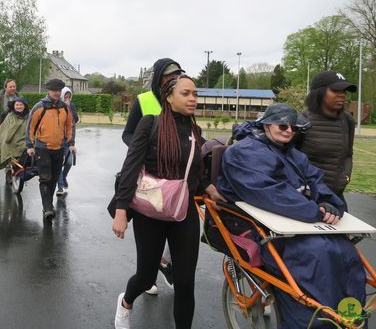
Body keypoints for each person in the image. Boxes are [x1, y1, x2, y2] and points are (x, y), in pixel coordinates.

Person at [217, 103, 366, 329]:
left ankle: (347, 318)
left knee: (344, 252)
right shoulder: (243, 152)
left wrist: (328, 201)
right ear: (266, 125)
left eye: (294, 128)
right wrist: (315, 211)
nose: (289, 131)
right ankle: (317, 323)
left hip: (296, 225)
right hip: (266, 229)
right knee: (317, 256)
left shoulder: (294, 154)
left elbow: (315, 180)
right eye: (283, 125)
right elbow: (269, 193)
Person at [112, 75, 223, 329]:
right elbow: (130, 167)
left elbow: (193, 173)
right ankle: (126, 301)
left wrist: (208, 187)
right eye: (186, 93)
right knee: (146, 276)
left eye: (195, 94)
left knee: (185, 282)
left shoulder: (195, 132)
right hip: (150, 210)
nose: (193, 98)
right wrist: (121, 210)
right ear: (169, 97)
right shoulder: (150, 124)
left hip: (183, 211)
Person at [122, 58, 184, 294]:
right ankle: (150, 275)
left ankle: (165, 265)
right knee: (152, 227)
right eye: (169, 77)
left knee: (174, 223)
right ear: (159, 78)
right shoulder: (144, 101)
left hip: (175, 177)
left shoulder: (180, 100)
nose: (173, 80)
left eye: (177, 76)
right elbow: (127, 134)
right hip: (149, 176)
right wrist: (142, 149)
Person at [294, 71, 357, 206]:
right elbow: (288, 158)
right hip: (307, 198)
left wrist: (345, 177)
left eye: (344, 91)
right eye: (335, 90)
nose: (342, 95)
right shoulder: (302, 120)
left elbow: (348, 154)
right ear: (319, 93)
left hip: (336, 197)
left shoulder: (348, 120)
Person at [26, 78, 75, 221]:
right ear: (48, 90)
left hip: (59, 148)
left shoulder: (65, 108)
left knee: (54, 178)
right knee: (45, 178)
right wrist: (29, 145)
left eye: (59, 90)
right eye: (54, 90)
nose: (56, 93)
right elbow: (30, 127)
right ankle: (47, 207)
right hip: (42, 148)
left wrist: (71, 143)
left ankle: (48, 205)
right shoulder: (39, 107)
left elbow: (69, 126)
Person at [0, 96, 30, 177]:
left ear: (25, 106)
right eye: (17, 105)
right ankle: (8, 171)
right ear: (14, 106)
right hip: (10, 141)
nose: (19, 107)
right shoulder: (10, 116)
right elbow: (3, 131)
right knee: (6, 149)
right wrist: (6, 139)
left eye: (21, 105)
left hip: (24, 140)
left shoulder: (29, 116)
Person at [56, 86, 79, 196]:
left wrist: (69, 107)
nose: (67, 98)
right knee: (59, 163)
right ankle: (60, 187)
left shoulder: (71, 106)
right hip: (57, 140)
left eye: (69, 96)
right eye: (65, 96)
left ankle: (63, 177)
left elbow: (76, 120)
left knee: (69, 162)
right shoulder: (56, 105)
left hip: (68, 140)